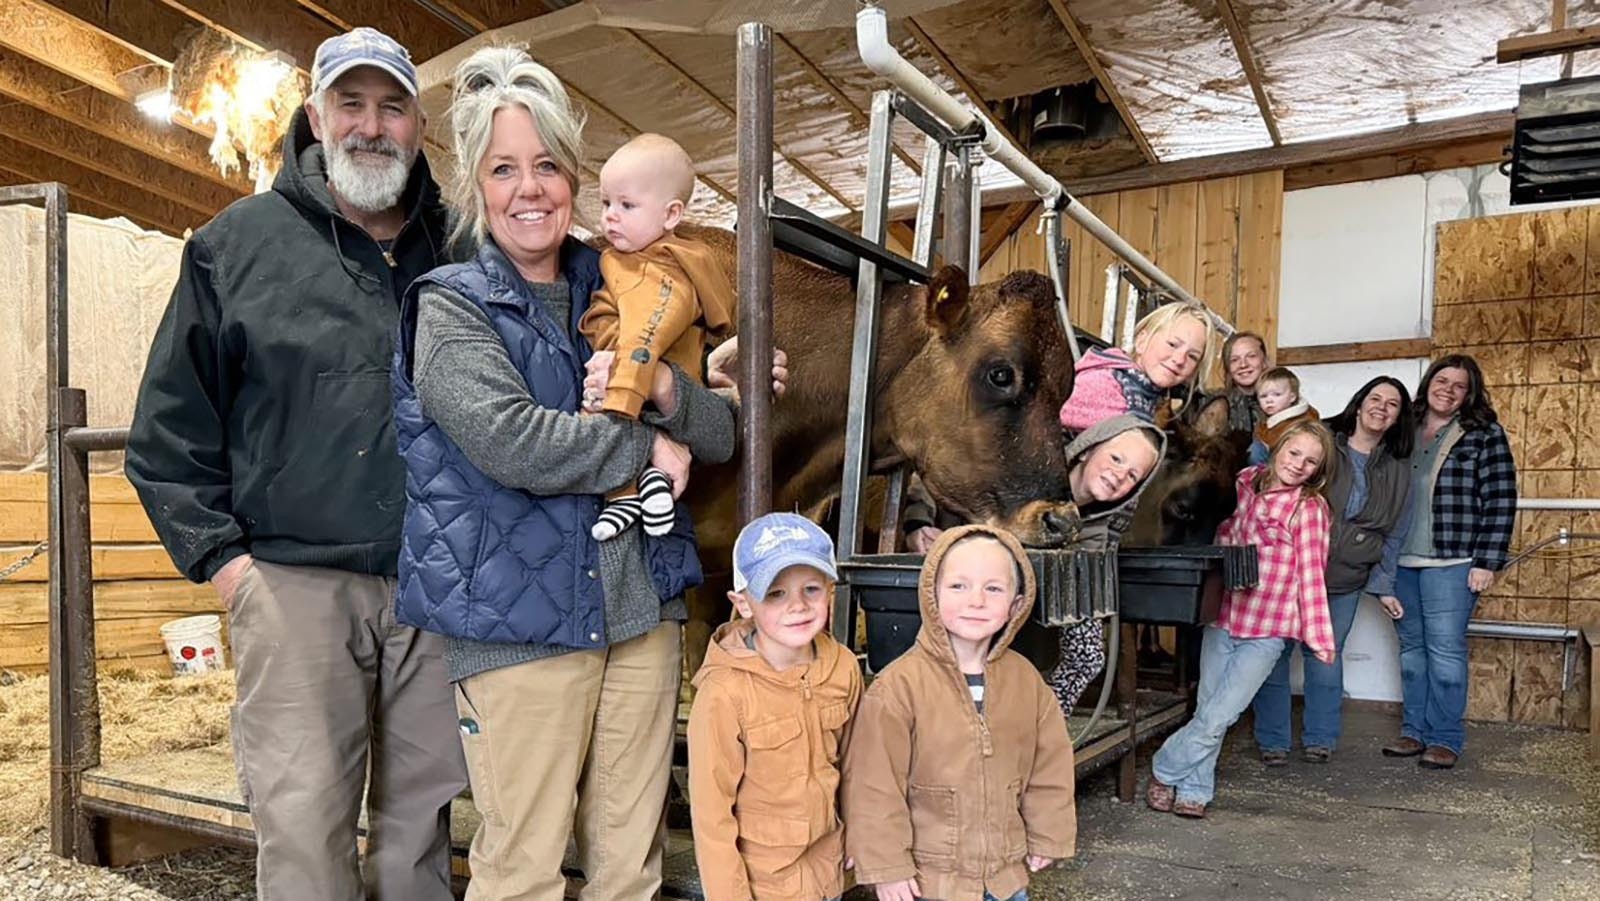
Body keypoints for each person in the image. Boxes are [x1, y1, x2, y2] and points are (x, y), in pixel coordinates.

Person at [125, 27, 465, 900]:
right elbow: (168, 429)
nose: (370, 126)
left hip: (433, 584)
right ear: (314, 117)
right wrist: (229, 567)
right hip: (292, 584)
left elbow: (575, 308)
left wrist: (705, 364)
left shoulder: (459, 245)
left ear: (419, 125)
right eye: (350, 104)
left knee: (421, 827)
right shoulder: (237, 245)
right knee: (305, 824)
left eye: (391, 107)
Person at [391, 46, 738, 900]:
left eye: (547, 164)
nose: (530, 188)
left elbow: (723, 432)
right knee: (523, 868)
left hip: (641, 614)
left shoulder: (624, 279)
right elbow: (516, 443)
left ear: (575, 177)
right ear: (476, 185)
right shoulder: (451, 306)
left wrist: (664, 385)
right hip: (516, 623)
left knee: (631, 863)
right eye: (505, 169)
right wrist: (646, 445)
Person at [844, 525, 1077, 901]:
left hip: (1005, 879)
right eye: (959, 586)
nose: (977, 600)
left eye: (994, 588)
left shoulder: (1026, 681)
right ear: (931, 595)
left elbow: (1049, 763)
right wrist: (887, 867)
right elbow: (874, 784)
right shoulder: (898, 686)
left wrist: (1049, 832)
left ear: (1017, 605)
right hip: (930, 881)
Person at [902, 416, 1166, 715]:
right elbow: (941, 470)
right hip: (966, 588)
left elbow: (1083, 616)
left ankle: (1044, 722)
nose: (1119, 474)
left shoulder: (1099, 532)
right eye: (1116, 458)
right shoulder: (1026, 466)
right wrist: (917, 524)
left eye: (1133, 475)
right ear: (1087, 450)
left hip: (1028, 611)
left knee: (1088, 655)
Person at [1148, 421, 1336, 819]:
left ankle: (1164, 769)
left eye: (1311, 461)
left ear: (1318, 471)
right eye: (1294, 453)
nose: (1299, 465)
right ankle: (1196, 789)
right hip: (1224, 615)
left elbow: (1312, 575)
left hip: (1268, 628)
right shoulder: (1242, 483)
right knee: (1207, 709)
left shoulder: (1309, 508)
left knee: (1221, 715)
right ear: (1277, 449)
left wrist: (1319, 638)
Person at [688, 513, 862, 901]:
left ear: (831, 591)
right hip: (764, 886)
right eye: (775, 593)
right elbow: (712, 814)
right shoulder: (723, 693)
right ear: (742, 603)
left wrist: (861, 837)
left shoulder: (844, 667)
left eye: (812, 589)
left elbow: (856, 767)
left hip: (829, 875)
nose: (798, 606)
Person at [579, 133, 735, 541]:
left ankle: (634, 492)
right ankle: (637, 490)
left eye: (627, 205)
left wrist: (617, 400)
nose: (610, 216)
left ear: (671, 215)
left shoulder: (661, 272)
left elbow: (643, 341)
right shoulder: (631, 259)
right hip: (661, 390)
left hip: (636, 384)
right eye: (606, 202)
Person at [1252, 377, 1415, 764]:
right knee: (1273, 654)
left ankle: (1320, 738)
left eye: (1392, 404)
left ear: (1398, 417)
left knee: (1325, 654)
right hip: (1291, 571)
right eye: (1374, 398)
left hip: (1345, 578)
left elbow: (1396, 531)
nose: (1382, 407)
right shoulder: (1324, 443)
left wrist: (1383, 583)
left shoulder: (1399, 467)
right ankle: (1273, 740)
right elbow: (1277, 475)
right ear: (1358, 405)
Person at [1384, 355, 1517, 770]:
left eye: (1459, 385)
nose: (1448, 389)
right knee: (1411, 651)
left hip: (1454, 561)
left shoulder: (1483, 433)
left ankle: (1444, 738)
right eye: (1442, 380)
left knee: (1444, 652)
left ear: (1469, 394)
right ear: (1428, 383)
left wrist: (1487, 561)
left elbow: (1501, 498)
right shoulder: (1402, 428)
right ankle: (1414, 732)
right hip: (1401, 559)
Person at [1057, 302, 1217, 431]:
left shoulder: (1153, 401)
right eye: (1172, 344)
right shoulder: (1102, 385)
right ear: (1141, 341)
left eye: (1192, 356)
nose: (1180, 359)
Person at [1247, 367, 1319, 466]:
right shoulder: (1264, 420)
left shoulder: (1301, 421)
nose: (1269, 400)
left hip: (1293, 466)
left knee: (1256, 450)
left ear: (1292, 397)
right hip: (1270, 464)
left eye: (1276, 395)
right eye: (1263, 396)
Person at [1217, 331, 1269, 435]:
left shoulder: (1283, 401)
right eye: (1234, 360)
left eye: (1251, 356)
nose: (1243, 364)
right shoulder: (1213, 402)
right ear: (1228, 368)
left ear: (1264, 361)